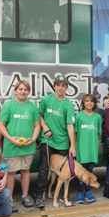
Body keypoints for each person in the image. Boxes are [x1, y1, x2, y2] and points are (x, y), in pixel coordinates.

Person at [34, 75, 76, 208]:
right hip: (47, 140)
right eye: (58, 85)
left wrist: (72, 146)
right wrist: (45, 128)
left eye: (63, 85)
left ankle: (63, 195)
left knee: (63, 170)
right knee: (45, 167)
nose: (61, 87)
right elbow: (39, 116)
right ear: (54, 86)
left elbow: (70, 125)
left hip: (62, 141)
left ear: (67, 88)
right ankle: (39, 195)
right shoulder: (46, 99)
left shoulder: (68, 104)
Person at [0, 80, 40, 211]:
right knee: (11, 172)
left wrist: (33, 138)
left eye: (25, 89)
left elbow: (37, 125)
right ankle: (9, 199)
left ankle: (25, 196)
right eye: (20, 89)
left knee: (26, 171)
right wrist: (10, 138)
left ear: (29, 92)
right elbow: (1, 125)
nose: (23, 92)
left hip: (28, 146)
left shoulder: (32, 107)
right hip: (12, 147)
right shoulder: (8, 106)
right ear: (15, 91)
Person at [74, 94, 102, 204]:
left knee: (90, 172)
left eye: (91, 101)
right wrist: (74, 148)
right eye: (87, 101)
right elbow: (75, 133)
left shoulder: (97, 117)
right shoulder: (79, 116)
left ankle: (88, 192)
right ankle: (80, 193)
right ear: (83, 103)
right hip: (82, 149)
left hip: (92, 150)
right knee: (81, 174)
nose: (89, 103)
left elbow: (97, 134)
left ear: (95, 103)